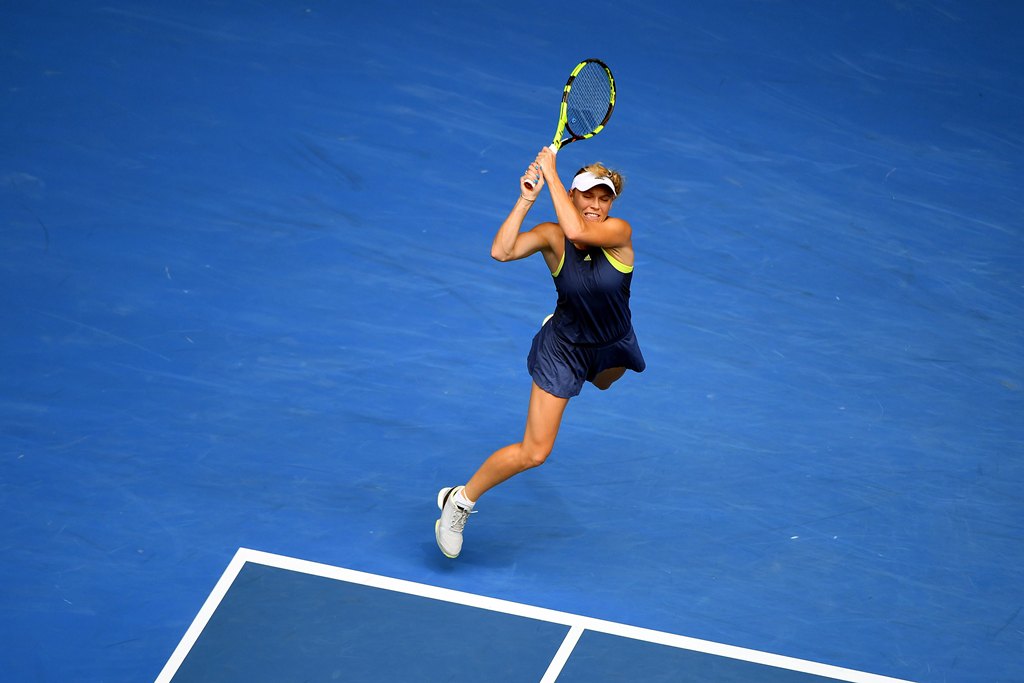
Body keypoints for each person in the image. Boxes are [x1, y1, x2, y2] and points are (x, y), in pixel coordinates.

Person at [435, 146, 645, 558]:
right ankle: (459, 501)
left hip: (613, 342)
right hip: (564, 349)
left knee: (605, 383)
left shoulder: (619, 232)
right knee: (535, 452)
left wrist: (551, 172)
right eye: (587, 195)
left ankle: (581, 346)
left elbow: (580, 234)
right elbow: (501, 251)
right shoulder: (552, 236)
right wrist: (526, 199)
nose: (596, 205)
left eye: (603, 198)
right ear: (571, 196)